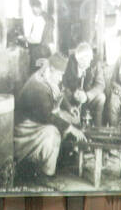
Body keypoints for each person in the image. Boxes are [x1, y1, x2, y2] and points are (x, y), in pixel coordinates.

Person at [13, 52, 85, 181]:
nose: (60, 79)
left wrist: (69, 108)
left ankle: (60, 159)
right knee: (53, 132)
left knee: (68, 118)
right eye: (59, 75)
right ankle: (45, 174)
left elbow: (58, 93)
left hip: (39, 120)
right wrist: (71, 128)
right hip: (24, 131)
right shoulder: (37, 86)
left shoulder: (46, 77)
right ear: (51, 70)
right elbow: (49, 117)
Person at [62, 42, 107, 128]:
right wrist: (73, 94)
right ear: (78, 59)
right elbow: (63, 84)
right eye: (85, 60)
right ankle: (69, 127)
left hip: (88, 97)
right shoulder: (68, 63)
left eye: (90, 59)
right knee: (63, 96)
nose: (89, 63)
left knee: (101, 97)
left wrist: (87, 96)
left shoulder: (95, 64)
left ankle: (97, 128)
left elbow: (100, 84)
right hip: (72, 97)